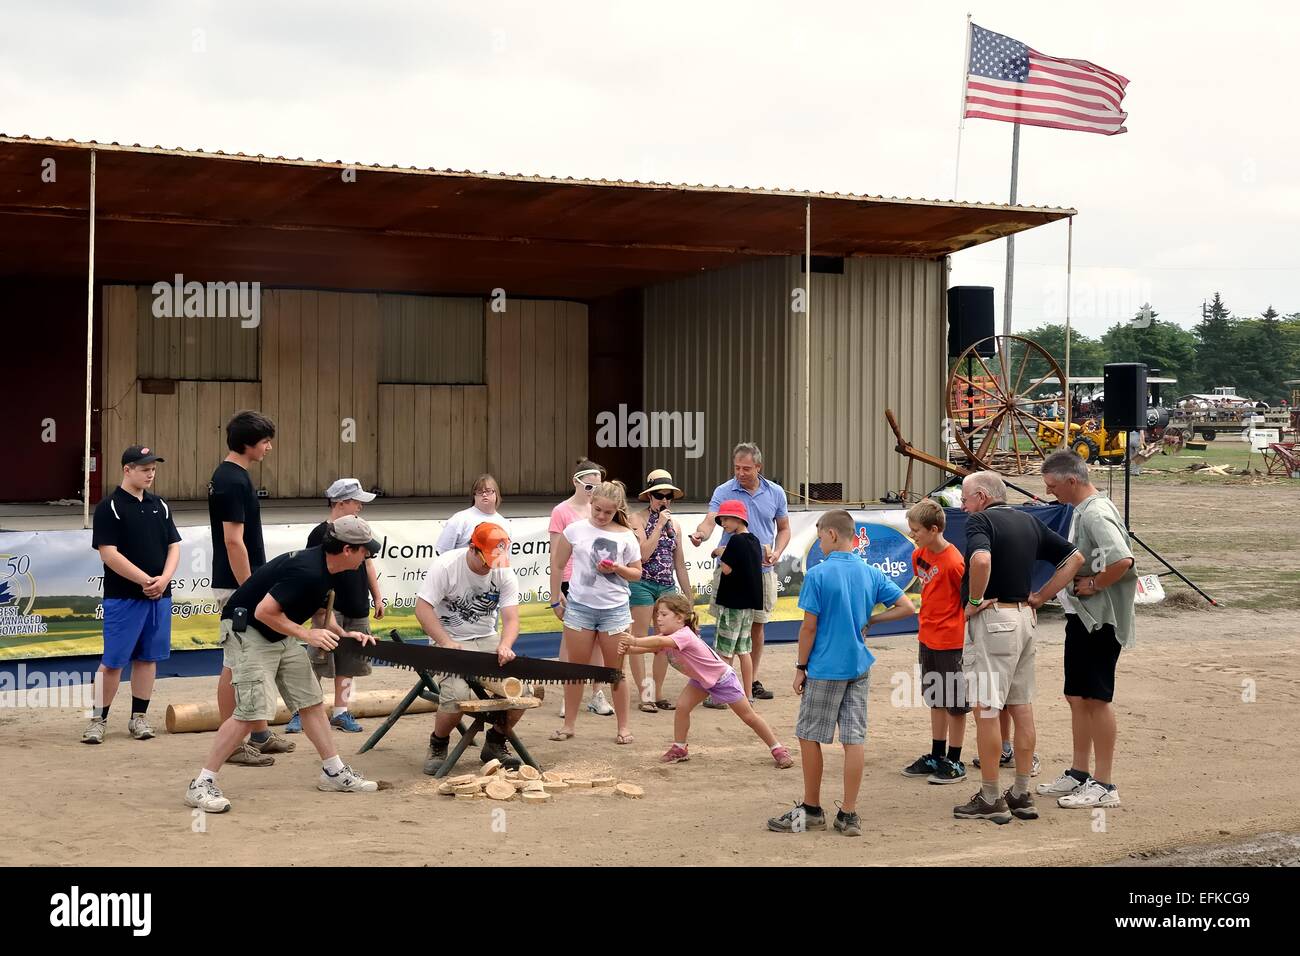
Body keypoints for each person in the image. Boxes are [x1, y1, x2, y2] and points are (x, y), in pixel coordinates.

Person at [183, 516, 384, 813]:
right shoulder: (306, 570)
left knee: (311, 701)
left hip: (277, 631)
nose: (368, 555)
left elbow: (320, 613)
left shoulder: (333, 570)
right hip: (248, 629)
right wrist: (306, 634)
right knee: (251, 711)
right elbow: (265, 612)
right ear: (346, 549)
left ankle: (333, 772)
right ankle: (200, 785)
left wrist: (344, 633)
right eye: (365, 550)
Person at [768, 510, 916, 837]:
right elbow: (907, 607)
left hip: (824, 666)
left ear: (833, 535)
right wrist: (872, 621)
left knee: (809, 735)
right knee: (854, 739)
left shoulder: (819, 574)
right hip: (858, 665)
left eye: (820, 537)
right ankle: (848, 813)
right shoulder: (869, 572)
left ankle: (810, 808)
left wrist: (800, 668)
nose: (819, 543)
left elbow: (808, 628)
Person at [954, 471, 1084, 825]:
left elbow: (980, 560)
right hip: (1025, 619)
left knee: (986, 709)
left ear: (981, 496)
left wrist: (974, 599)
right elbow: (1075, 558)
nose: (963, 508)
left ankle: (991, 795)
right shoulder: (1028, 520)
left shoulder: (981, 521)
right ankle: (1021, 792)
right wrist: (1041, 596)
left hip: (993, 620)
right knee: (1021, 706)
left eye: (965, 500)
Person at [1038, 450, 1137, 809]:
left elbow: (1123, 559)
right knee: (1077, 697)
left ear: (1072, 481)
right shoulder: (1083, 509)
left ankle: (1105, 784)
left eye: (1052, 486)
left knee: (1097, 699)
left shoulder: (1095, 512)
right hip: (1082, 619)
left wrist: (1094, 584)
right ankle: (1079, 773)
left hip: (1101, 621)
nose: (1050, 493)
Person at [620, 593, 793, 768]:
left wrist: (633, 640)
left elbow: (656, 640)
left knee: (749, 717)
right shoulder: (670, 636)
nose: (658, 619)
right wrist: (628, 649)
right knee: (682, 707)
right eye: (657, 614)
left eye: (664, 615)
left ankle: (778, 749)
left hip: (722, 680)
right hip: (701, 680)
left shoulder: (683, 635)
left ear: (680, 618)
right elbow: (650, 648)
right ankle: (680, 748)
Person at [82, 446, 182, 744]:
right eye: (144, 468)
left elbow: (174, 545)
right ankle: (97, 720)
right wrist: (144, 581)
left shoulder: (160, 505)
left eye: (153, 468)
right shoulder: (109, 507)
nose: (150, 473)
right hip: (123, 597)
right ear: (127, 470)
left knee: (148, 659)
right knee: (113, 661)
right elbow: (108, 554)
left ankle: (139, 717)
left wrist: (163, 580)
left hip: (159, 597)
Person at [208, 410, 290, 767]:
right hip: (236, 585)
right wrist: (250, 588)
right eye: (264, 441)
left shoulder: (234, 476)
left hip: (242, 582)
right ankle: (233, 743)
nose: (269, 447)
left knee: (251, 661)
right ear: (246, 444)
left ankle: (258, 733)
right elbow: (232, 541)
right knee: (235, 664)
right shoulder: (231, 480)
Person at [417, 523, 526, 773]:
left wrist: (506, 645)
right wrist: (446, 643)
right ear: (472, 548)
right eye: (486, 559)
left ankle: (496, 741)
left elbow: (511, 619)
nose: (491, 566)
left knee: (521, 690)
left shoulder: (504, 571)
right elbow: (422, 610)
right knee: (456, 695)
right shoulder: (447, 566)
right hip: (450, 638)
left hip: (487, 638)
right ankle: (439, 743)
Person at [691, 442, 790, 702]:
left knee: (756, 627)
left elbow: (784, 528)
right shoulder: (724, 490)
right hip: (731, 573)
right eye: (737, 467)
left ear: (759, 467)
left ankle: (749, 682)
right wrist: (701, 534)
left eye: (747, 468)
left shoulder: (776, 492)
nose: (741, 473)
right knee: (726, 626)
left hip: (762, 571)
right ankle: (727, 682)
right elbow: (710, 519)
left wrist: (777, 551)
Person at [285, 478, 384, 735]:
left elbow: (369, 564)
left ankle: (341, 711)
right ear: (341, 502)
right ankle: (301, 710)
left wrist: (377, 596)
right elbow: (311, 569)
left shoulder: (362, 529)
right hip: (328, 605)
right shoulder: (320, 533)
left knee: (350, 660)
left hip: (357, 603)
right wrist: (317, 608)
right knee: (317, 657)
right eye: (356, 501)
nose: (360, 507)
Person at [549, 480, 642, 744]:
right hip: (579, 608)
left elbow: (636, 574)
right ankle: (569, 725)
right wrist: (556, 599)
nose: (601, 516)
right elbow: (557, 565)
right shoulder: (574, 530)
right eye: (597, 510)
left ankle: (623, 727)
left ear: (617, 510)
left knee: (614, 672)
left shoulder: (626, 536)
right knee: (575, 670)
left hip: (615, 611)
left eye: (608, 512)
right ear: (590, 503)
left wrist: (617, 569)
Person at [899, 498, 969, 785]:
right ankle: (937, 754)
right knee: (935, 698)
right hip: (927, 635)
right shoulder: (919, 556)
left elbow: (964, 599)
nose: (913, 535)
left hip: (950, 640)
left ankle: (955, 758)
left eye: (916, 530)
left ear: (935, 529)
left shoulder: (954, 563)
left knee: (955, 702)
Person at [549, 459, 615, 717]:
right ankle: (570, 694)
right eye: (589, 487)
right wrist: (556, 595)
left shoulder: (600, 511)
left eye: (597, 487)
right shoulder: (561, 512)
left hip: (598, 581)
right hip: (570, 580)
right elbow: (556, 557)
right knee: (571, 640)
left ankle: (597, 693)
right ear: (576, 482)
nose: (592, 492)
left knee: (598, 641)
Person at [626, 469, 692, 712]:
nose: (664, 500)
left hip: (666, 585)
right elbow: (642, 554)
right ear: (649, 497)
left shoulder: (676, 525)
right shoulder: (637, 519)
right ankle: (646, 694)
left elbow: (680, 563)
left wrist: (688, 596)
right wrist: (659, 524)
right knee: (641, 640)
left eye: (668, 496)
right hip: (642, 583)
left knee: (664, 642)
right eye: (658, 495)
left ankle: (658, 692)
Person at [704, 499, 764, 708]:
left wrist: (720, 553)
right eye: (722, 520)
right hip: (748, 605)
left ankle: (720, 696)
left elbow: (728, 569)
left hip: (732, 604)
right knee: (743, 650)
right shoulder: (754, 540)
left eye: (727, 519)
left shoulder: (735, 542)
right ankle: (747, 694)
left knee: (724, 651)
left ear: (739, 519)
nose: (724, 524)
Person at [436, 474, 511, 553]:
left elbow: (506, 557)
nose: (484, 494)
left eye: (488, 491)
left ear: (496, 494)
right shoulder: (459, 519)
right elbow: (443, 552)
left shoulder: (504, 524)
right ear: (474, 495)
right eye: (480, 491)